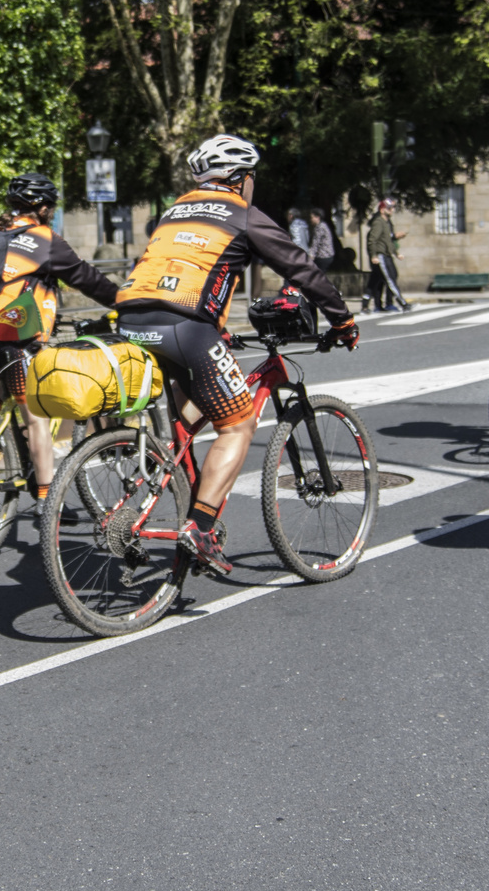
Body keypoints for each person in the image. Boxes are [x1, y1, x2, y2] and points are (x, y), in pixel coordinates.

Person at [114, 134, 358, 575]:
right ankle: (200, 527)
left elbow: (184, 269)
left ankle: (171, 494)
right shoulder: (242, 213)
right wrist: (342, 320)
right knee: (239, 421)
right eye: (252, 178)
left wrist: (217, 330)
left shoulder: (175, 210)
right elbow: (300, 267)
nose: (253, 186)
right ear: (240, 178)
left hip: (131, 320)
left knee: (188, 423)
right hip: (183, 326)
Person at [0, 173, 118, 516]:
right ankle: (47, 501)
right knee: (37, 416)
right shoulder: (44, 240)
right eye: (50, 207)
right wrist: (125, 301)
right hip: (8, 332)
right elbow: (85, 277)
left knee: (9, 363)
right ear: (42, 208)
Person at [365, 198, 409, 312]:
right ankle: (402, 303)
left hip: (386, 254)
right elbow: (372, 240)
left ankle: (369, 305)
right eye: (389, 208)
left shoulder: (386, 222)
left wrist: (396, 253)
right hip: (381, 255)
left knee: (379, 280)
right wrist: (373, 255)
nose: (392, 210)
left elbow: (388, 240)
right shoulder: (378, 222)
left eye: (393, 208)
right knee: (390, 279)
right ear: (382, 209)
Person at [308, 208, 335, 275]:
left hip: (323, 256)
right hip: (327, 255)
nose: (310, 219)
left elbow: (316, 242)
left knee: (317, 276)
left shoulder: (319, 227)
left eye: (312, 217)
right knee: (319, 276)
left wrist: (311, 255)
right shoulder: (323, 225)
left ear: (318, 217)